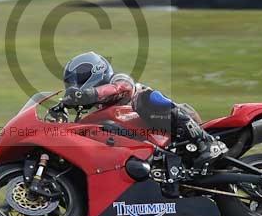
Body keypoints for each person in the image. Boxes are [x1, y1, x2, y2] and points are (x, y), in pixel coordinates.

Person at [58, 51, 228, 168]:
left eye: (78, 81)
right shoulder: (103, 110)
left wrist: (89, 93)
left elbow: (121, 87)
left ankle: (207, 142)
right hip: (150, 139)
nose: (75, 86)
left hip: (175, 120)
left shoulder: (118, 80)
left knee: (146, 98)